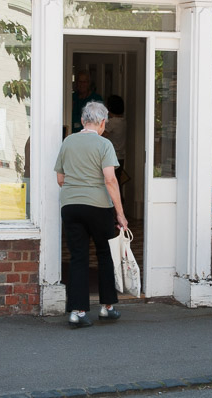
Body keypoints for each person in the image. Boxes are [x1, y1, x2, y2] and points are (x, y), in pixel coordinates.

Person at [55, 101, 129, 328]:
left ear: (83, 120)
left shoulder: (68, 142)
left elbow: (60, 178)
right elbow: (110, 179)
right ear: (102, 122)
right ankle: (107, 307)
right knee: (104, 254)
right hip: (98, 207)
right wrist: (121, 214)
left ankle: (77, 312)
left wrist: (76, 192)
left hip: (70, 206)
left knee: (78, 257)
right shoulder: (104, 144)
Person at [103, 95, 127, 185]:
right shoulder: (123, 121)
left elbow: (101, 136)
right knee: (117, 181)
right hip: (121, 156)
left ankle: (115, 199)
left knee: (111, 182)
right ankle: (120, 198)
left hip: (112, 156)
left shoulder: (112, 122)